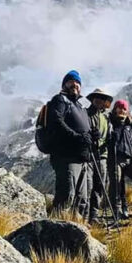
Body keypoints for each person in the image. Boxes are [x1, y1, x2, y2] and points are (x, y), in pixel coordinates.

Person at [47, 70, 95, 218]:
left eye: (78, 82)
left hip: (82, 159)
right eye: (71, 81)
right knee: (67, 195)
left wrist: (92, 135)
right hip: (66, 157)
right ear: (64, 84)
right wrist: (78, 137)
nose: (75, 84)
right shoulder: (60, 100)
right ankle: (55, 232)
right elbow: (56, 122)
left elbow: (84, 131)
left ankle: (78, 233)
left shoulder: (80, 106)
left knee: (82, 199)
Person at [85, 88, 113, 223]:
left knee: (99, 186)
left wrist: (110, 140)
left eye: (102, 98)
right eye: (96, 98)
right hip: (89, 155)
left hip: (102, 156)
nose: (99, 100)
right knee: (88, 186)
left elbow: (107, 137)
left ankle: (94, 216)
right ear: (92, 99)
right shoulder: (85, 114)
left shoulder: (105, 118)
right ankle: (84, 216)